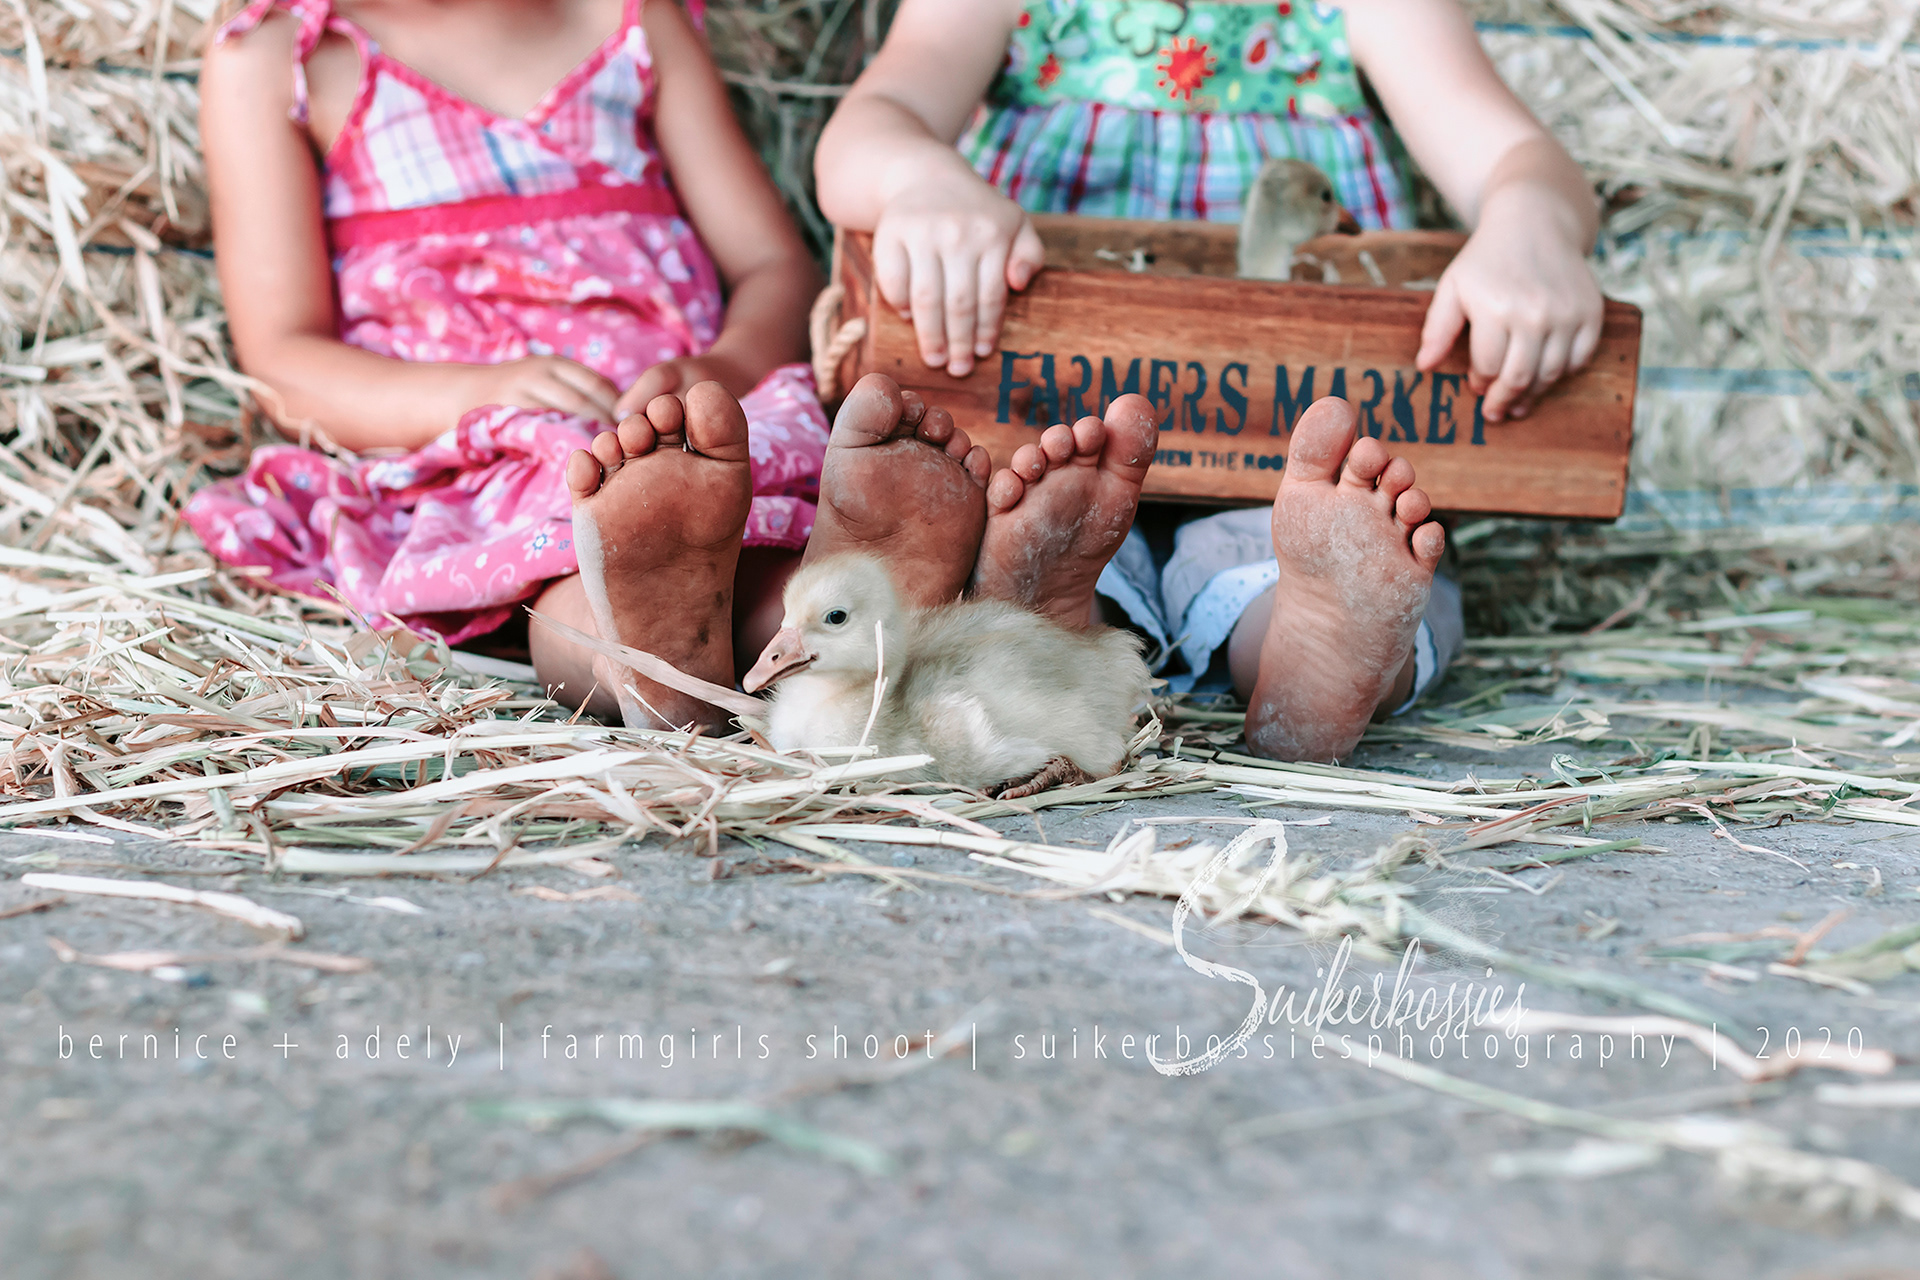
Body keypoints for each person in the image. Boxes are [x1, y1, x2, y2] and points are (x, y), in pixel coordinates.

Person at [813, 0, 1604, 761]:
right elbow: (872, 121)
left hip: (1290, 477)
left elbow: (1512, 153)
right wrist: (916, 177)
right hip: (1055, 447)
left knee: (1333, 558)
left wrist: (1528, 220)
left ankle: (1314, 657)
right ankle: (1051, 610)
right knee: (1034, 530)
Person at [190, 0, 902, 729]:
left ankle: (889, 628)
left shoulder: (630, 20)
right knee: (582, 561)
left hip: (688, 431)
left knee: (767, 538)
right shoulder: (283, 55)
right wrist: (481, 397)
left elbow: (774, 264)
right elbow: (282, 361)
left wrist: (727, 363)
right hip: (484, 448)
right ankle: (641, 666)